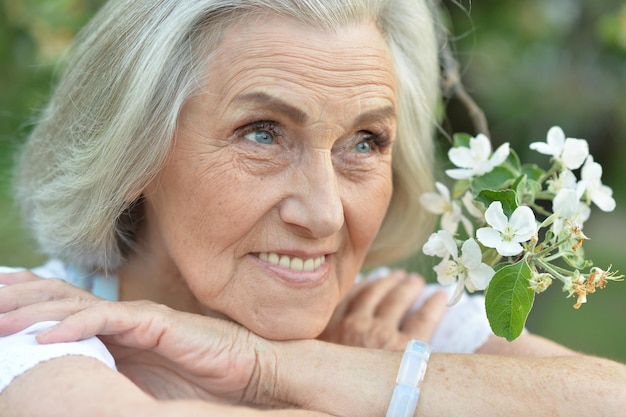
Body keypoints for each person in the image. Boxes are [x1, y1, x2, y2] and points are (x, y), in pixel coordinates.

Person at [0, 0, 625, 415]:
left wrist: (276, 369)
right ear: (134, 151)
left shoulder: (389, 324)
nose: (325, 214)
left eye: (365, 142)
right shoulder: (30, 326)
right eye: (263, 133)